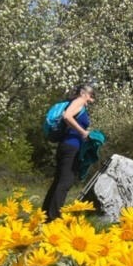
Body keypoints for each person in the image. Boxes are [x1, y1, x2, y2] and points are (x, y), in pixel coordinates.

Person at [42, 84, 95, 221]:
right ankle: (53, 218)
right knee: (66, 182)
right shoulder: (79, 101)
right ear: (84, 94)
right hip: (70, 146)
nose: (92, 100)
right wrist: (83, 132)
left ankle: (45, 215)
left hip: (66, 146)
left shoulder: (76, 103)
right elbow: (67, 116)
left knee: (59, 181)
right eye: (91, 96)